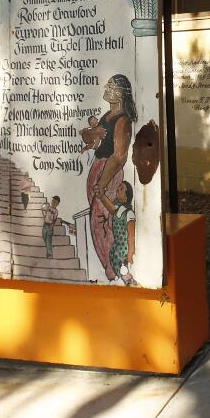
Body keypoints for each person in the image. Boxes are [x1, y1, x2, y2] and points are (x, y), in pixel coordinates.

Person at [84, 75, 135, 281]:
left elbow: (119, 156)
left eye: (111, 86)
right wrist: (92, 132)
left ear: (121, 93)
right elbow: (89, 137)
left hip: (108, 174)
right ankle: (111, 268)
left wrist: (102, 183)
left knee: (103, 220)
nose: (106, 88)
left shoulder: (122, 120)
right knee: (97, 219)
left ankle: (113, 269)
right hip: (99, 169)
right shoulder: (107, 116)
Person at [97, 180, 136, 285]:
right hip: (116, 246)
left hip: (124, 248)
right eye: (118, 187)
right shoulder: (118, 209)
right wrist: (101, 195)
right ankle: (124, 282)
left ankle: (129, 283)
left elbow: (131, 235)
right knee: (117, 267)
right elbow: (109, 206)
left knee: (123, 269)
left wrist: (130, 253)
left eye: (122, 188)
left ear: (127, 197)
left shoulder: (129, 213)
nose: (118, 189)